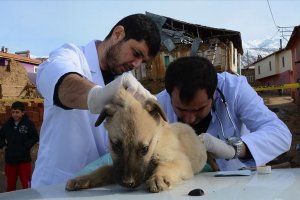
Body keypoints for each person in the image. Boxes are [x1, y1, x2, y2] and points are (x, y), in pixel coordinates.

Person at [31, 13, 161, 187]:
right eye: (136, 53)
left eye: (142, 62)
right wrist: (98, 96)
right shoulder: (71, 56)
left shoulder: (128, 84)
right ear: (118, 34)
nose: (136, 65)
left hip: (104, 186)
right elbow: (62, 84)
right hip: (56, 186)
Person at [156, 56, 292, 171]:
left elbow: (280, 134)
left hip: (235, 180)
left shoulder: (236, 90)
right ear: (169, 96)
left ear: (214, 94)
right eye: (181, 110)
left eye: (198, 109)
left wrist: (234, 149)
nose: (189, 119)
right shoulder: (159, 103)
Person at [0, 101, 39, 191]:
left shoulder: (28, 124)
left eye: (17, 112)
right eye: (13, 112)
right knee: (10, 185)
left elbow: (34, 137)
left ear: (22, 113)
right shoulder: (7, 125)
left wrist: (25, 146)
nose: (15, 114)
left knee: (27, 184)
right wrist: (4, 146)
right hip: (10, 160)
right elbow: (0, 137)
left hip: (24, 160)